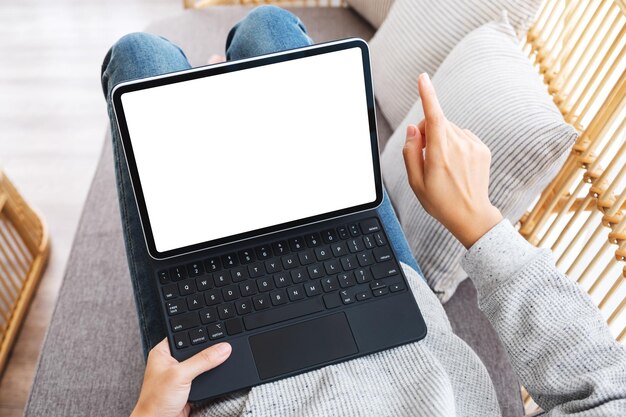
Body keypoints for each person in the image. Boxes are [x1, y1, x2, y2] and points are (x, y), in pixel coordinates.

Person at [101, 6, 626, 417]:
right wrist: (480, 223)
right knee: (269, 30)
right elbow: (602, 392)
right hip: (398, 327)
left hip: (231, 382)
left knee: (138, 60)